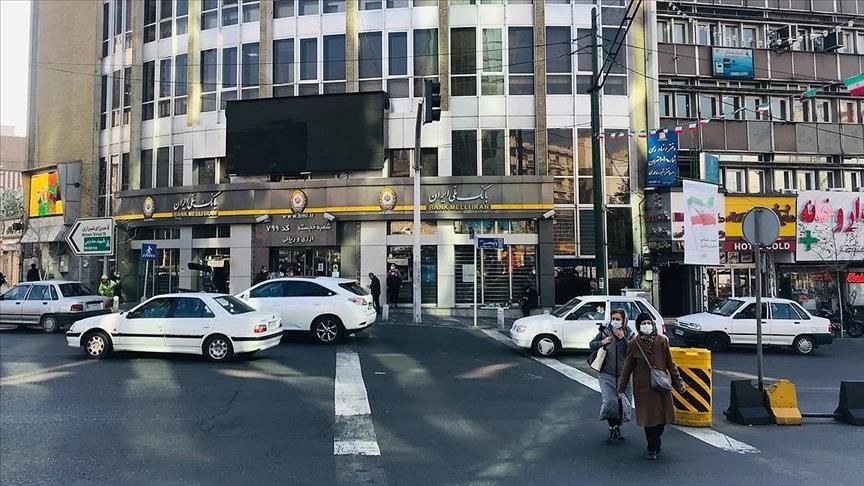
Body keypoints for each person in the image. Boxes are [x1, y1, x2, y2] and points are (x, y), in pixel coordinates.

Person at [617, 313, 686, 460]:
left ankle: (656, 438)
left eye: (648, 322)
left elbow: (670, 364)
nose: (646, 325)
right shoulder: (634, 344)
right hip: (644, 388)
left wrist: (678, 382)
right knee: (649, 420)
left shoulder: (662, 341)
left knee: (662, 418)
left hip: (661, 385)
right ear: (638, 326)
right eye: (643, 323)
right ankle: (652, 448)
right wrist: (621, 389)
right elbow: (627, 368)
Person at [590, 309, 634, 443]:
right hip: (606, 373)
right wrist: (602, 342)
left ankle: (617, 427)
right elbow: (591, 345)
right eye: (613, 318)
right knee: (610, 401)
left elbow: (633, 351)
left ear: (624, 320)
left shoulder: (629, 333)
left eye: (618, 319)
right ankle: (612, 427)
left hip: (623, 375)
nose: (615, 321)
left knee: (622, 403)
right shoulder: (605, 331)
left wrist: (623, 339)